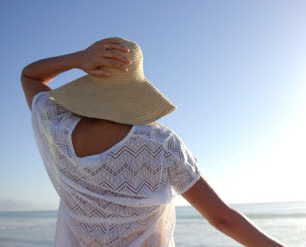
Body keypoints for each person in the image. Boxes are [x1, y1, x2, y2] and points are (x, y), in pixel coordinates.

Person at [21, 37, 286, 247]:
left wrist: (77, 59)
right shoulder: (159, 144)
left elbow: (31, 76)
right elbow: (222, 219)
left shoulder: (55, 126)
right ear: (135, 87)